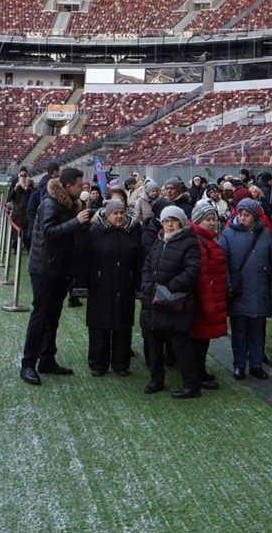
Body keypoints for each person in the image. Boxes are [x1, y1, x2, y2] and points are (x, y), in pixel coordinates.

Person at [21, 165, 91, 386]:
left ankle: (47, 359)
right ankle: (28, 364)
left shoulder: (69, 204)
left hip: (60, 269)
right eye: (80, 185)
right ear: (68, 187)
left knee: (52, 317)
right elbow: (49, 233)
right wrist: (76, 222)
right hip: (44, 269)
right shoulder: (51, 204)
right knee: (40, 316)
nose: (83, 189)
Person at [139, 206, 203, 398]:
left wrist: (170, 287)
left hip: (175, 301)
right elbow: (148, 264)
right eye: (166, 221)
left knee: (180, 345)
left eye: (173, 221)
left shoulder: (189, 242)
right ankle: (156, 380)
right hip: (154, 300)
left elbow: (193, 270)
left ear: (181, 222)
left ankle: (191, 385)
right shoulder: (159, 240)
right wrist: (147, 285)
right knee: (154, 344)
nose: (169, 225)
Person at [82, 199, 144, 377]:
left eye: (121, 213)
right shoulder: (94, 232)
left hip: (125, 285)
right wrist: (82, 285)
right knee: (99, 326)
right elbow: (85, 260)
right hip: (100, 286)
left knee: (123, 326)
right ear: (107, 215)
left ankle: (121, 364)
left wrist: (139, 286)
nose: (119, 216)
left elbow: (139, 262)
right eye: (115, 213)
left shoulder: (133, 232)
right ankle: (98, 363)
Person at [221, 198, 272, 380]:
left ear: (254, 216)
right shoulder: (228, 234)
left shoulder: (266, 234)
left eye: (246, 214)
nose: (242, 217)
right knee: (239, 331)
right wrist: (227, 285)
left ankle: (256, 364)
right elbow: (223, 263)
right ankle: (239, 364)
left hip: (261, 290)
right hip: (239, 291)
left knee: (257, 330)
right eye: (240, 214)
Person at [186, 201, 229, 391]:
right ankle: (198, 372)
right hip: (203, 300)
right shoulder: (199, 241)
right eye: (207, 220)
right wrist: (208, 304)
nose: (212, 223)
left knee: (201, 339)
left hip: (209, 296)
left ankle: (199, 370)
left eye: (213, 219)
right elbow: (202, 276)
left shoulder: (206, 239)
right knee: (199, 339)